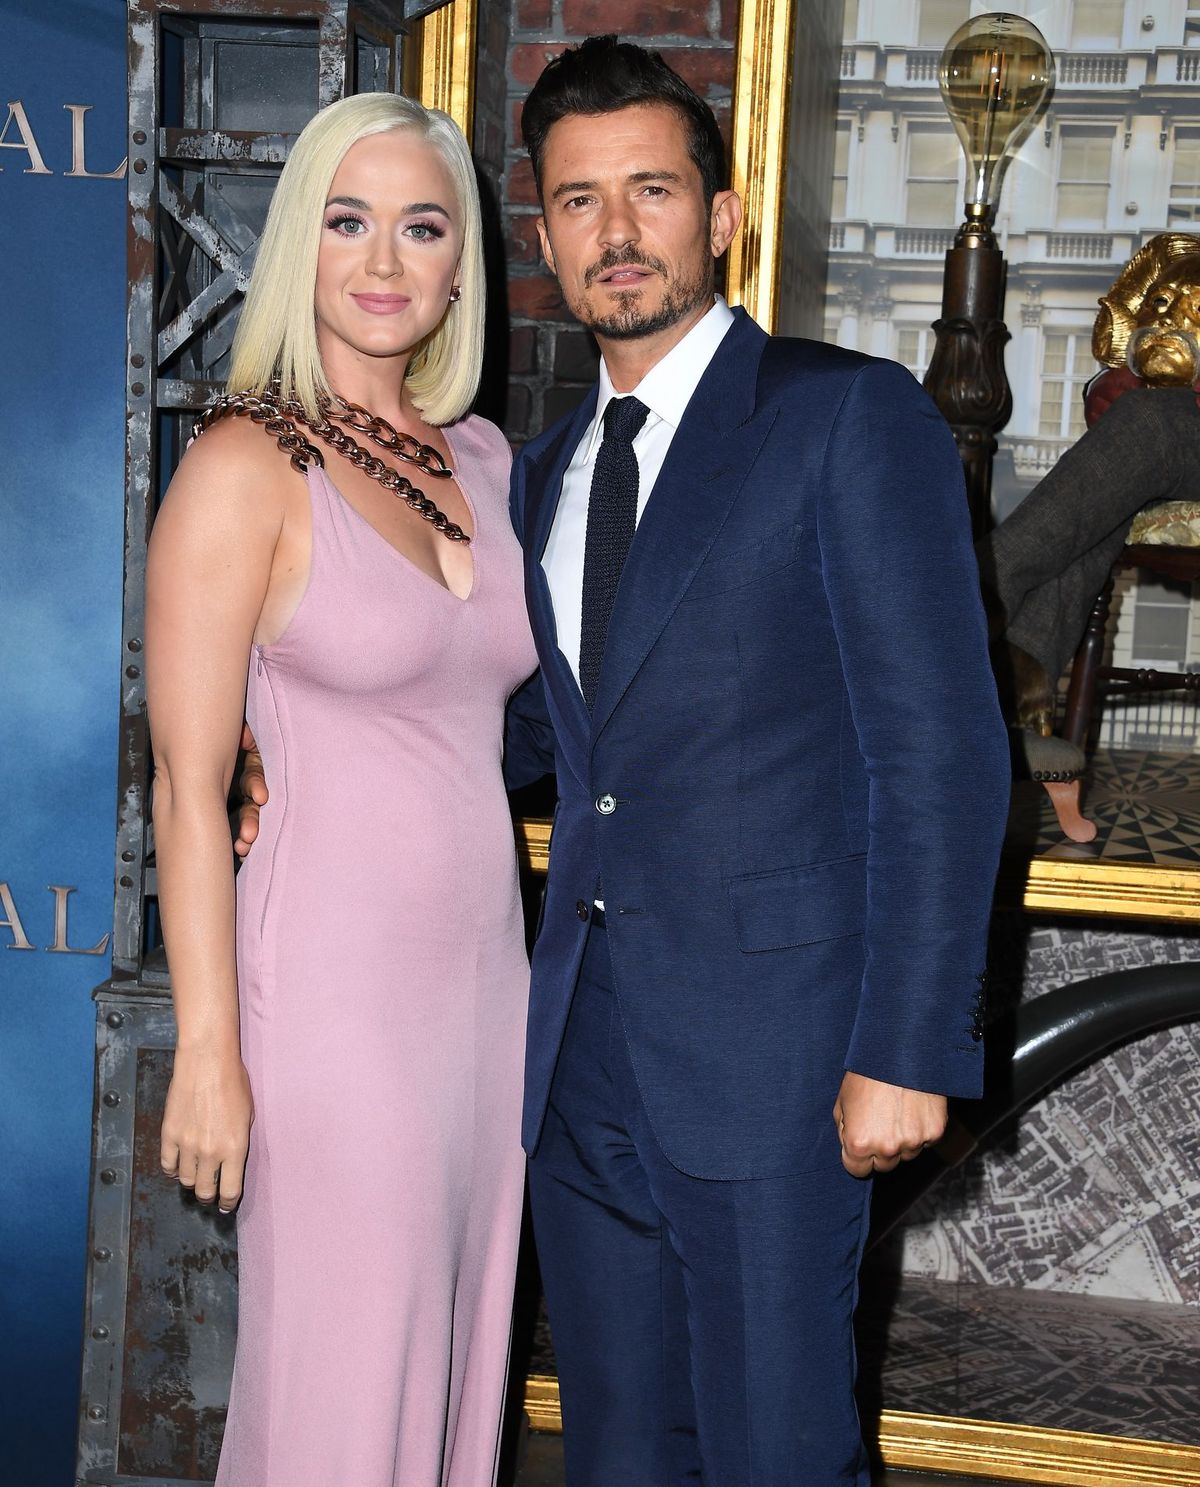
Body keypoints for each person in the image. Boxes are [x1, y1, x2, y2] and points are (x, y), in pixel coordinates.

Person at [499, 37, 1010, 1486]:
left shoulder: (845, 417)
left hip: (781, 1056)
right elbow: (551, 733)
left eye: (651, 191)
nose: (617, 232)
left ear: (720, 217)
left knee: (779, 1452)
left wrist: (906, 1047)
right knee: (611, 1451)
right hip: (584, 1051)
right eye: (581, 201)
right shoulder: (546, 470)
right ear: (544, 235)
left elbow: (942, 751)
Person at [145, 92, 536, 1487]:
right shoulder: (241, 469)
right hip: (326, 1000)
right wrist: (207, 1051)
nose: (383, 259)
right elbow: (191, 791)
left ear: (457, 265)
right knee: (343, 1385)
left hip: (490, 997)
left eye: (421, 227)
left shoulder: (484, 463)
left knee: (450, 1369)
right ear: (300, 244)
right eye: (348, 221)